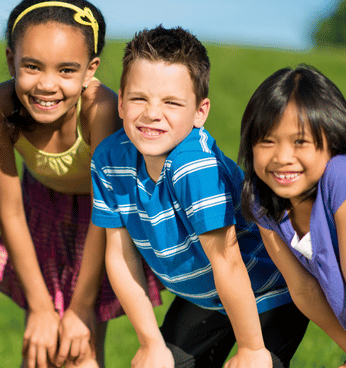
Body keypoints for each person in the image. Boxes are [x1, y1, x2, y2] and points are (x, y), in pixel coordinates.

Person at [91, 25, 310, 368]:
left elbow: (227, 259)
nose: (151, 113)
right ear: (120, 101)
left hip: (264, 295)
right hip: (202, 298)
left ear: (199, 113)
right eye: (139, 98)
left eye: (171, 102)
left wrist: (252, 349)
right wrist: (151, 344)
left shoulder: (194, 165)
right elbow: (120, 257)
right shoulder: (108, 159)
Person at [0, 0, 163, 368]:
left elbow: (106, 211)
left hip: (101, 226)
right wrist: (39, 307)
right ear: (10, 59)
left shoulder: (99, 111)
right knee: (41, 346)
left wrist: (81, 307)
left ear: (90, 68)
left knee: (79, 350)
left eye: (66, 70)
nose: (47, 85)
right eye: (32, 66)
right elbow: (10, 210)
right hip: (38, 217)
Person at [238, 64, 346, 361]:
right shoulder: (262, 201)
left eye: (300, 142)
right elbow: (304, 289)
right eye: (267, 140)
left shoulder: (341, 177)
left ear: (333, 141)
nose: (282, 157)